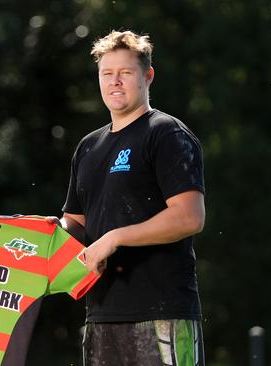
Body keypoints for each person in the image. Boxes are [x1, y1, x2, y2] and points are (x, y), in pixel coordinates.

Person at [57, 30, 206, 365]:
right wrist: (40, 234)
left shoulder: (166, 133)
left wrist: (116, 238)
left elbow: (189, 217)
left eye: (125, 73)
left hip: (162, 315)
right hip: (100, 318)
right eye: (107, 74)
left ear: (147, 76)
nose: (115, 82)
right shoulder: (87, 148)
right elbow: (76, 225)